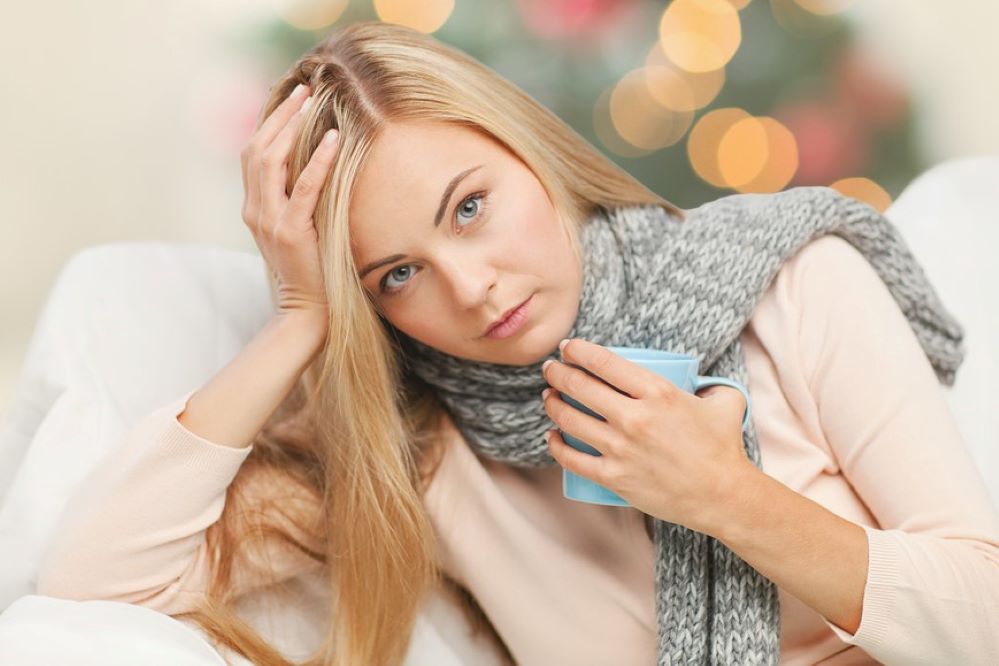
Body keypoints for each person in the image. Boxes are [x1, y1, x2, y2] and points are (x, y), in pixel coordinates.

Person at [36, 19, 999, 666]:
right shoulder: (419, 456)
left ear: (528, 154)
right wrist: (298, 317)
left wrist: (724, 498)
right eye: (396, 274)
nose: (470, 286)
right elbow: (92, 585)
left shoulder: (789, 282)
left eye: (469, 208)